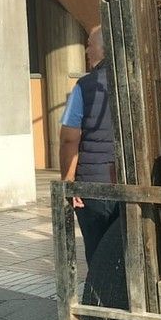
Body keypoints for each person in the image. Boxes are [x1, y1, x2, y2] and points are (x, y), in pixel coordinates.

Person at [59, 26, 119, 263]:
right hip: (130, 185)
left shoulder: (85, 87)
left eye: (89, 44)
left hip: (93, 186)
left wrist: (68, 181)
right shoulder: (138, 83)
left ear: (103, 49)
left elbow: (69, 138)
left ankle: (99, 297)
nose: (86, 50)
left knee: (97, 254)